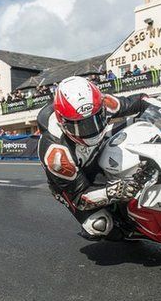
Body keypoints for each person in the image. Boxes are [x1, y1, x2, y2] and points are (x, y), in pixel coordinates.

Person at [37, 76, 148, 241]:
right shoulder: (56, 154)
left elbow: (140, 100)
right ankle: (128, 230)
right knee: (100, 226)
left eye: (96, 119)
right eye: (80, 125)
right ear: (63, 122)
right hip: (75, 180)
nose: (91, 129)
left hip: (99, 150)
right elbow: (80, 197)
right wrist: (114, 191)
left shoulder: (103, 104)